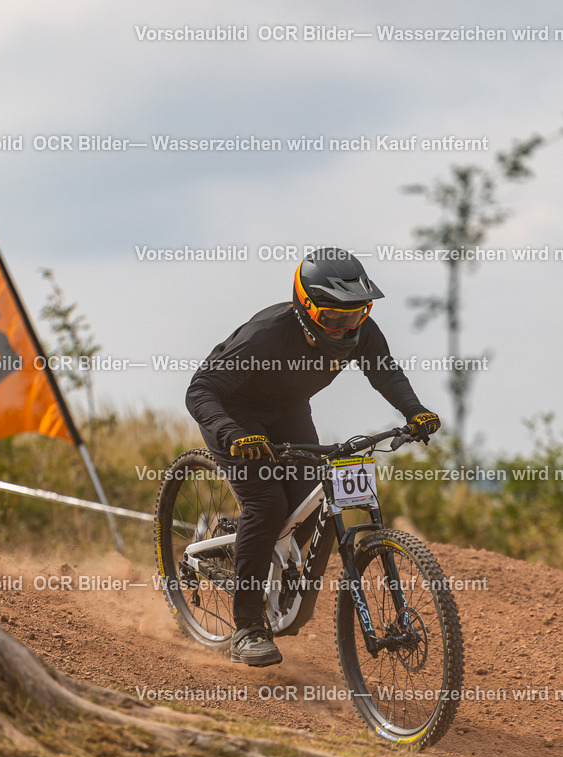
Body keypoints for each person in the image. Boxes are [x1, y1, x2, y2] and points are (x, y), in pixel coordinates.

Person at [185, 247, 440, 667]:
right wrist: (232, 434)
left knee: (310, 497)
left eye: (356, 315)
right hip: (236, 415)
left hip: (289, 411)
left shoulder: (362, 330)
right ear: (305, 308)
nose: (345, 328)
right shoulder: (265, 335)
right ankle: (248, 628)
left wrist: (415, 411)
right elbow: (200, 391)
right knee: (267, 504)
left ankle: (260, 556)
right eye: (333, 317)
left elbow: (384, 370)